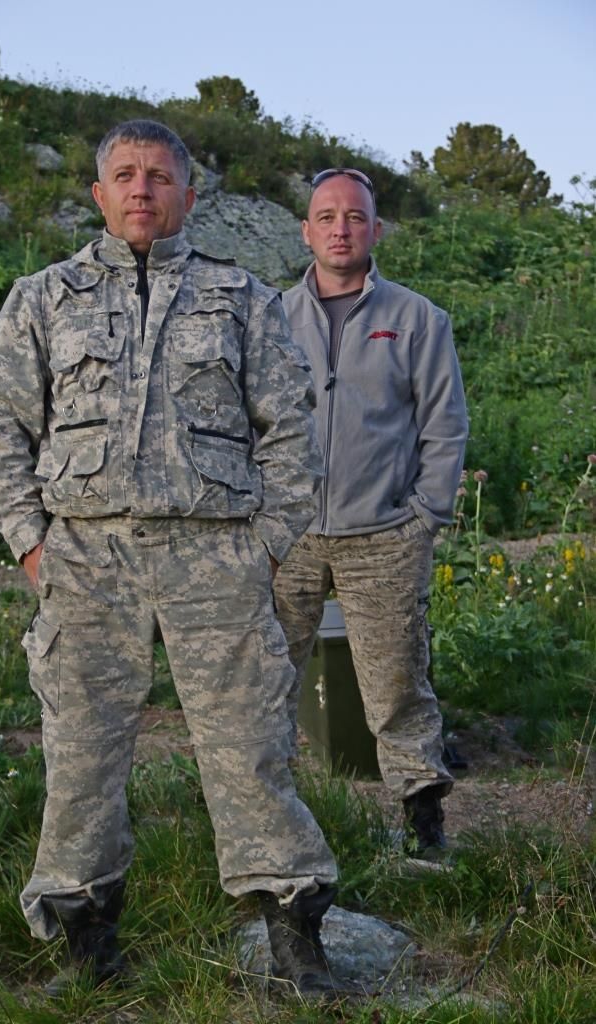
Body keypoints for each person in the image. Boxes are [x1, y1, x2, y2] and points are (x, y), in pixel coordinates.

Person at [0, 120, 341, 997]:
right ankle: (85, 939)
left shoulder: (241, 298)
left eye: (160, 176)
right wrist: (31, 543)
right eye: (126, 175)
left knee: (250, 748)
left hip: (215, 558)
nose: (143, 189)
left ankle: (293, 933)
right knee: (81, 752)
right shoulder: (42, 297)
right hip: (85, 558)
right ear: (99, 194)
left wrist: (264, 547)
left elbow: (291, 432)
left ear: (188, 196)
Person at [274, 168, 468, 858]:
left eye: (354, 217)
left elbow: (444, 425)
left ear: (375, 230)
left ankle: (422, 825)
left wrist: (424, 516)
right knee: (266, 677)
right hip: (288, 536)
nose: (340, 229)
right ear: (306, 231)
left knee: (396, 684)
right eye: (326, 217)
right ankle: (266, 825)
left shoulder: (417, 319)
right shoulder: (268, 317)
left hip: (384, 534)